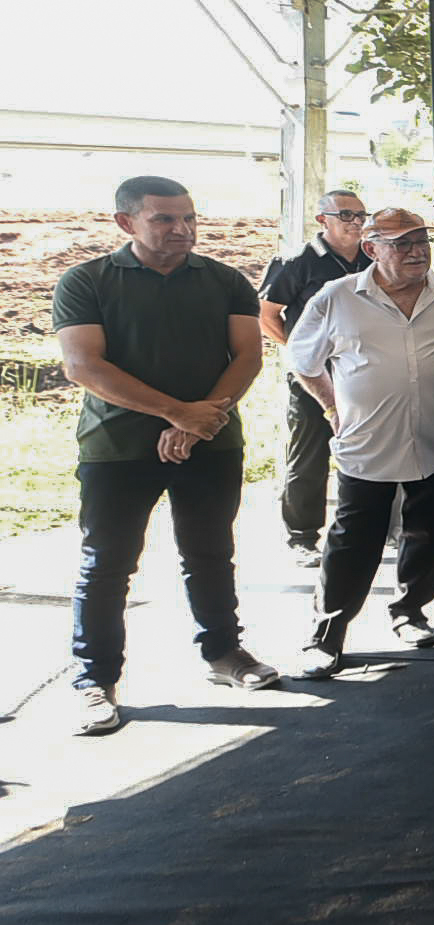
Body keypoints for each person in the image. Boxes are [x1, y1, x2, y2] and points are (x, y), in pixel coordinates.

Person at [57, 175, 278, 733]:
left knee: (210, 553)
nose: (182, 229)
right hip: (116, 448)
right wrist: (178, 414)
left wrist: (200, 423)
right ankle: (94, 680)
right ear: (126, 222)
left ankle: (224, 654)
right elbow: (84, 365)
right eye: (164, 219)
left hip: (211, 441)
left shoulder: (225, 280)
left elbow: (247, 356)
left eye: (188, 218)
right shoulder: (86, 280)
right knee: (107, 564)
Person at [287, 209, 434, 676]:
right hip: (369, 440)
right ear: (371, 248)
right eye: (401, 243)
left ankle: (410, 611)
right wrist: (332, 407)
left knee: (429, 532)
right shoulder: (337, 297)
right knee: (354, 539)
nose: (417, 251)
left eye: (421, 241)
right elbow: (303, 360)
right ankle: (327, 633)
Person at [257, 190, 371, 564]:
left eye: (361, 215)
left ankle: (368, 530)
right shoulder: (297, 262)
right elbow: (267, 315)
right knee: (309, 454)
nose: (356, 222)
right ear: (323, 219)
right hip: (313, 378)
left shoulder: (372, 257)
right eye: (346, 215)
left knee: (370, 450)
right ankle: (302, 537)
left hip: (363, 372)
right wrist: (303, 354)